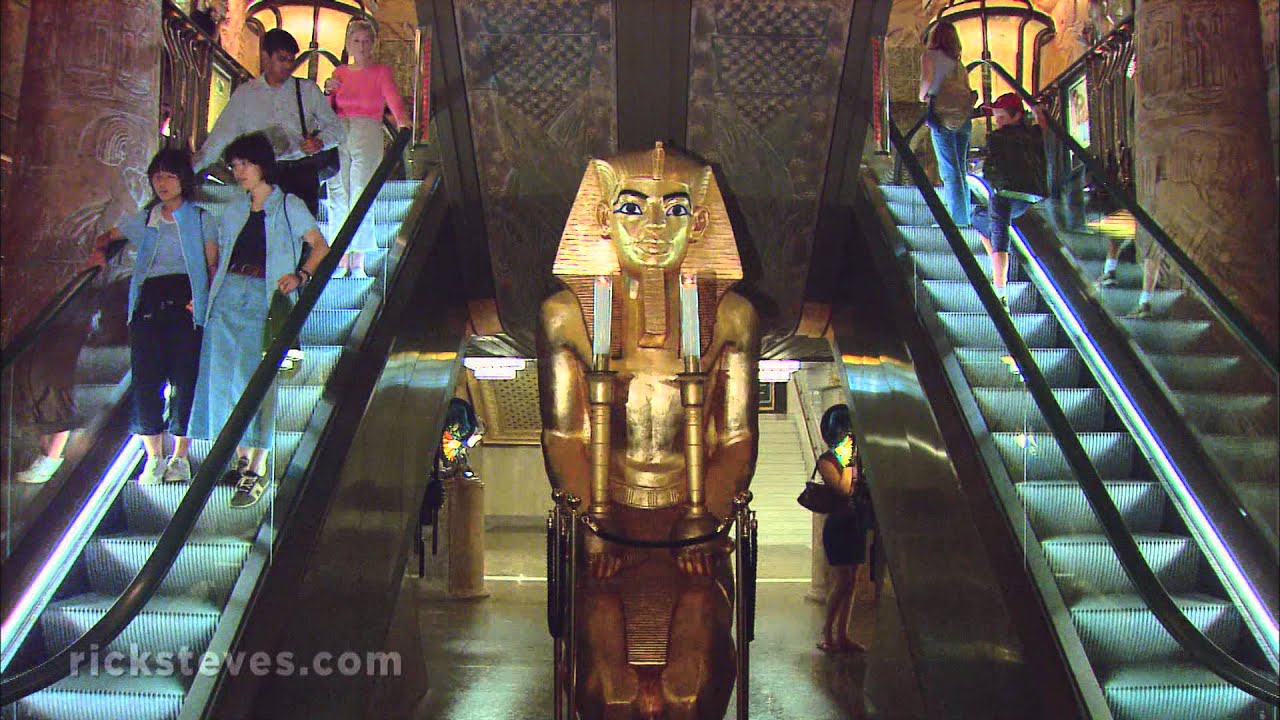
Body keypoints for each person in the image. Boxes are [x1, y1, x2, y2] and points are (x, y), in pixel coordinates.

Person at [189, 132, 329, 508]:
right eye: (234, 165)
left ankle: (258, 466)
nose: (239, 172)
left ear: (262, 165)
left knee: (259, 380)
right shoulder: (235, 207)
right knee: (222, 375)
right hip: (228, 293)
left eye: (245, 164)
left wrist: (301, 275)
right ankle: (237, 456)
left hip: (264, 295)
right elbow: (219, 253)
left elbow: (320, 245)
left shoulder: (287, 204)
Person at [90, 148, 217, 484]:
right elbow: (107, 237)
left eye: (170, 175)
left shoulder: (201, 217)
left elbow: (212, 264)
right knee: (146, 381)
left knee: (185, 381)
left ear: (183, 179)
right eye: (157, 176)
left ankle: (180, 457)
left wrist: (202, 299)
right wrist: (99, 252)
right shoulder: (147, 217)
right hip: (148, 301)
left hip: (186, 301)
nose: (163, 182)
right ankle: (153, 457)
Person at [192, 28, 342, 217]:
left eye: (291, 60)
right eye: (282, 59)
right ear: (265, 57)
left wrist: (320, 142)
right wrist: (190, 170)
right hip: (262, 176)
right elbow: (221, 136)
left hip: (300, 171)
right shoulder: (246, 94)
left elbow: (338, 129)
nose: (288, 66)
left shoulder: (307, 90)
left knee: (303, 230)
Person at [324, 17, 410, 279]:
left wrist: (404, 123)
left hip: (367, 130)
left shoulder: (381, 72)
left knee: (362, 191)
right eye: (356, 41)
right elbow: (327, 110)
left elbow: (393, 100)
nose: (361, 46)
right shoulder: (339, 72)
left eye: (366, 41)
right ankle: (339, 257)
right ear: (348, 44)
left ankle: (358, 259)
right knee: (338, 192)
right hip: (340, 131)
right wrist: (327, 91)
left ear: (373, 44)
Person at [971, 93, 1050, 307]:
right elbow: (1043, 126)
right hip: (1031, 196)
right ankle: (998, 280)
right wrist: (1037, 111)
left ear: (1016, 116)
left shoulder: (996, 137)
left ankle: (1000, 293)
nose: (998, 122)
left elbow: (990, 168)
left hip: (1005, 193)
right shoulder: (1033, 133)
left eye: (1002, 117)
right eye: (996, 117)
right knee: (980, 218)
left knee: (995, 230)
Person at [816, 404, 867, 654]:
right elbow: (844, 489)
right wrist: (847, 463)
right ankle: (827, 632)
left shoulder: (856, 459)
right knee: (842, 580)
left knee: (852, 581)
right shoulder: (827, 461)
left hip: (854, 523)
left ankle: (843, 635)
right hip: (837, 525)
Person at [919, 21, 976, 227]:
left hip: (942, 117)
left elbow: (927, 80)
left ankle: (956, 222)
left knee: (949, 170)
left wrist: (921, 96)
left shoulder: (929, 56)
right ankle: (964, 216)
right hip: (963, 119)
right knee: (960, 169)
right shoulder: (959, 64)